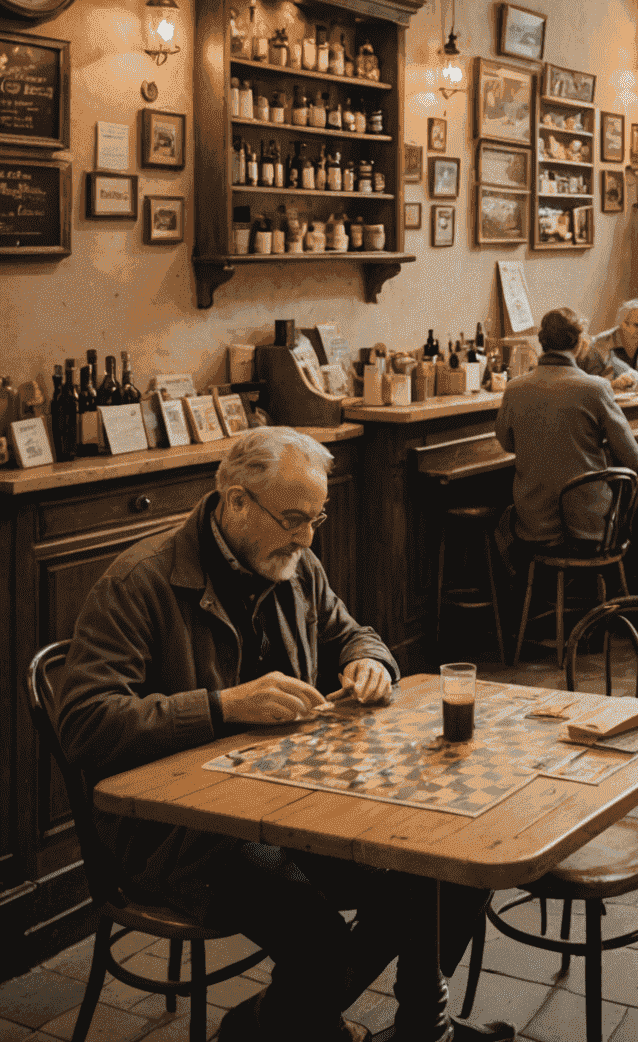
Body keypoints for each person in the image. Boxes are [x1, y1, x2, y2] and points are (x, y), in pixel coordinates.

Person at [55, 428, 488, 1042]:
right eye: (293, 519)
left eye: (316, 518)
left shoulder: (296, 564)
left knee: (451, 872)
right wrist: (222, 707)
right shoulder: (138, 584)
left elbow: (352, 633)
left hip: (291, 800)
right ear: (234, 502)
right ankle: (282, 1023)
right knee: (319, 941)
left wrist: (371, 663)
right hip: (182, 831)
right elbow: (86, 723)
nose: (308, 537)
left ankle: (288, 1024)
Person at [495, 306, 638, 573]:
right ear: (579, 342)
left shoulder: (515, 388)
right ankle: (608, 605)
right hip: (589, 529)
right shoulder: (596, 388)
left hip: (534, 528)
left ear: (542, 343)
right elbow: (633, 456)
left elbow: (506, 444)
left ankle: (527, 600)